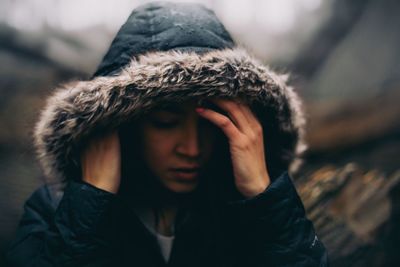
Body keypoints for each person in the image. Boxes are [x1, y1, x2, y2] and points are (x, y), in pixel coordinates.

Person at [6, 2, 328, 266]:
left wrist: (264, 198)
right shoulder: (55, 213)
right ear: (123, 124)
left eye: (211, 124)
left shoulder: (250, 213)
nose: (191, 148)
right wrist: (91, 205)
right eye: (165, 123)